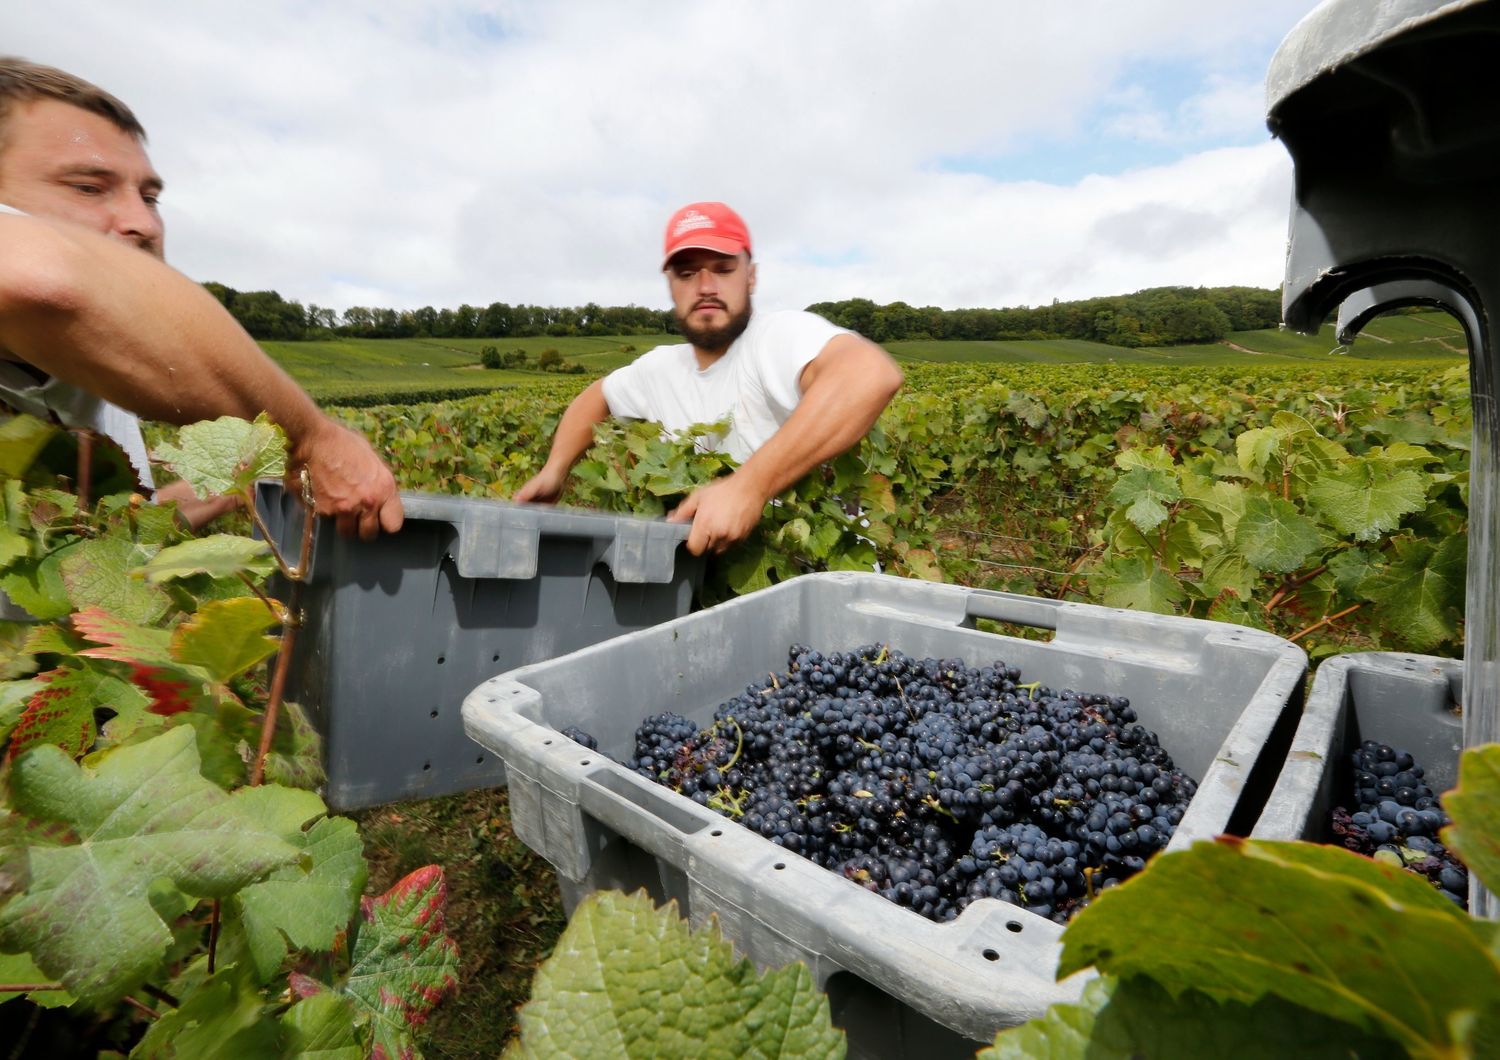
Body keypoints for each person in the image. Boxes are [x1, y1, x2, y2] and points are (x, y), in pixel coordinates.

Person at [0, 56, 402, 539]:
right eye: (87, 187)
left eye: (149, 198)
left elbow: (111, 536)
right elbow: (46, 280)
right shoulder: (49, 293)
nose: (145, 224)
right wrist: (314, 441)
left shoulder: (102, 383)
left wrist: (228, 490)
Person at [516, 201, 903, 555]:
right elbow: (597, 396)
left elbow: (870, 374)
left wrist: (749, 487)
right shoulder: (660, 369)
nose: (705, 287)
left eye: (723, 269)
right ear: (670, 284)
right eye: (687, 274)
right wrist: (554, 471)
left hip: (820, 579)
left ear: (750, 277)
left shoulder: (777, 337)